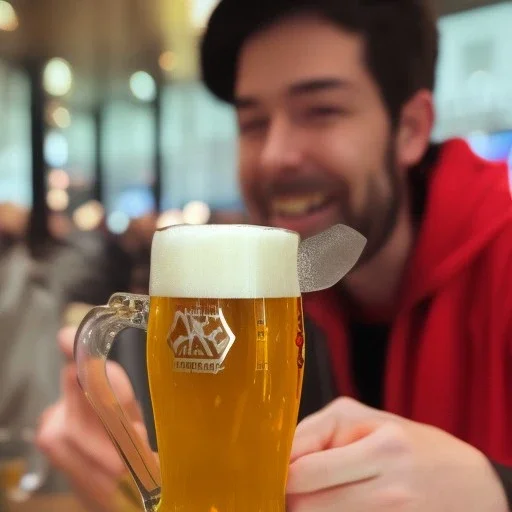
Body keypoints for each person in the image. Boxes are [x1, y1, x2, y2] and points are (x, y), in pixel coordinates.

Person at [36, 0, 512, 510]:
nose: (275, 154)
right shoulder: (275, 301)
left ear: (412, 128)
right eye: (252, 122)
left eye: (321, 110)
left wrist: (496, 490)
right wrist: (133, 490)